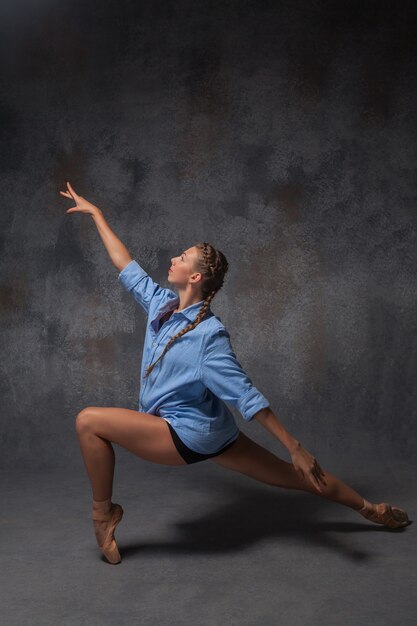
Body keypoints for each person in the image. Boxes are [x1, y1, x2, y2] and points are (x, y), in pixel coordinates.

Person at [60, 181, 412, 565]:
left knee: (88, 421)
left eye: (182, 257)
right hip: (217, 433)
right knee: (297, 477)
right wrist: (97, 215)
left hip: (187, 434)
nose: (173, 260)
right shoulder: (162, 304)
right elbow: (125, 264)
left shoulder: (209, 336)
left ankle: (103, 515)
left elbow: (246, 396)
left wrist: (294, 445)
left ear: (195, 278)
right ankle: (370, 508)